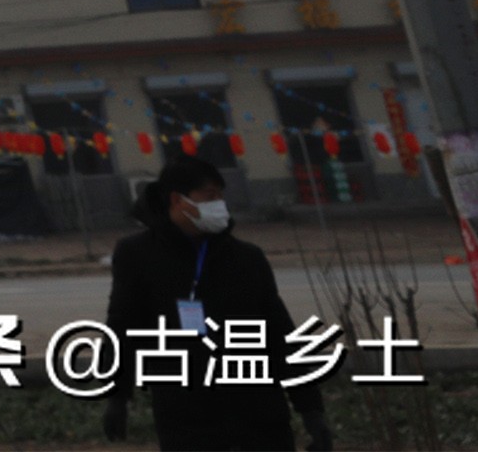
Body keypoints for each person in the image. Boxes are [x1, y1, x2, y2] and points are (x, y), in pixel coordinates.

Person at [103, 154, 330, 450]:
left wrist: (310, 409)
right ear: (178, 200)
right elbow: (122, 324)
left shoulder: (246, 258)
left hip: (258, 410)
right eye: (209, 196)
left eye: (220, 196)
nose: (218, 204)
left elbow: (280, 333)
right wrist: (117, 395)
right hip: (186, 411)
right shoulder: (138, 255)